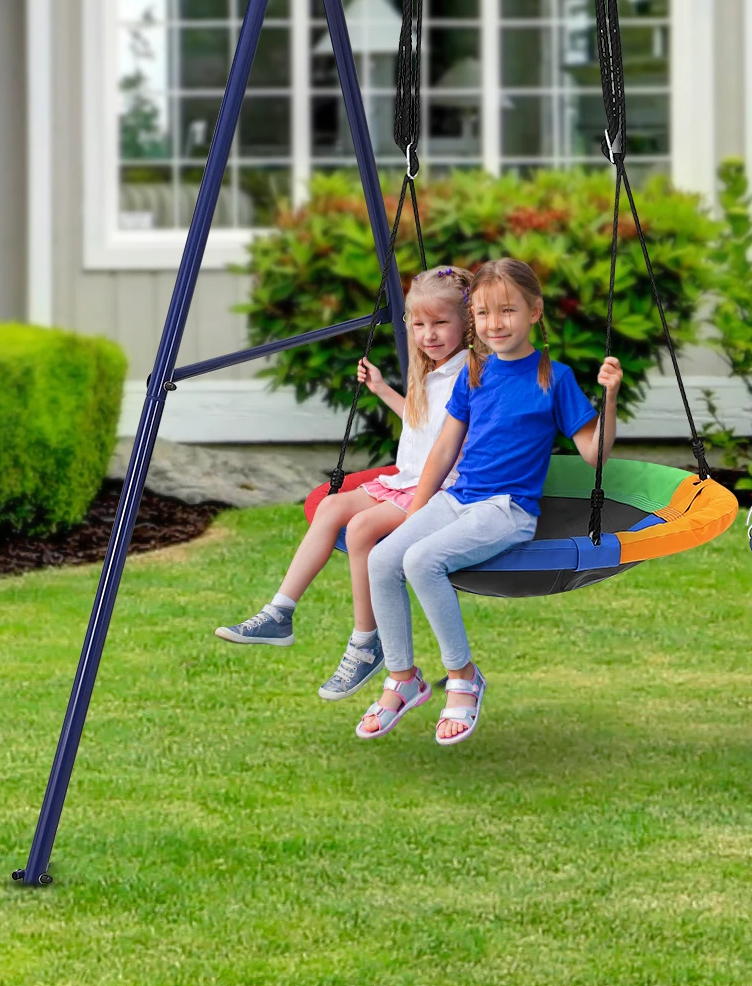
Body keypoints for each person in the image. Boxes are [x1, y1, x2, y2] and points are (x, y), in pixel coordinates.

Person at [358, 256, 623, 746]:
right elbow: (443, 449)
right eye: (482, 314)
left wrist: (609, 397)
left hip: (508, 509)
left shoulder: (554, 377)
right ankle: (403, 677)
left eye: (507, 312)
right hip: (456, 498)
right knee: (381, 558)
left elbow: (594, 454)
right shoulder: (475, 372)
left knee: (421, 561)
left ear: (534, 312)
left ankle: (463, 676)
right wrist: (416, 512)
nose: (493, 324)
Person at [213, 266, 481, 702]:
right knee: (330, 508)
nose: (428, 334)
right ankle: (279, 613)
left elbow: (452, 442)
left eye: (440, 323)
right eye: (418, 324)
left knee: (359, 529)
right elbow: (423, 425)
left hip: (438, 488)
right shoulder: (431, 370)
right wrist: (382, 390)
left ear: (466, 324)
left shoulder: (470, 371)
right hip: (406, 478)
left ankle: (365, 643)